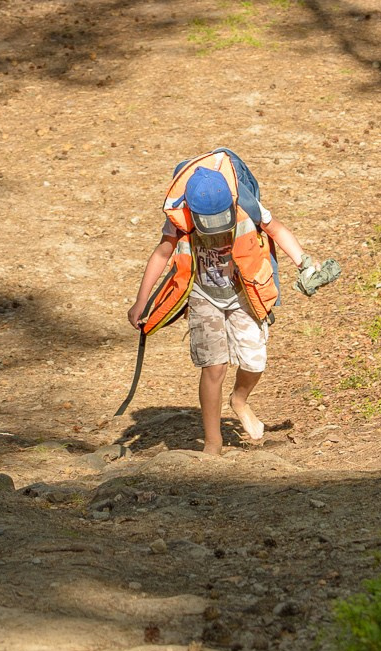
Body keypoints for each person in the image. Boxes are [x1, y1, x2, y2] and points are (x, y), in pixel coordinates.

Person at [126, 150, 339, 456]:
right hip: (203, 294)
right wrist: (140, 301)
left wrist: (305, 264)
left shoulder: (245, 207)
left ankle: (239, 400)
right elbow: (162, 255)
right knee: (214, 367)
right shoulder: (180, 218)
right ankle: (213, 443)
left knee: (254, 361)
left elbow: (276, 229)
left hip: (243, 293)